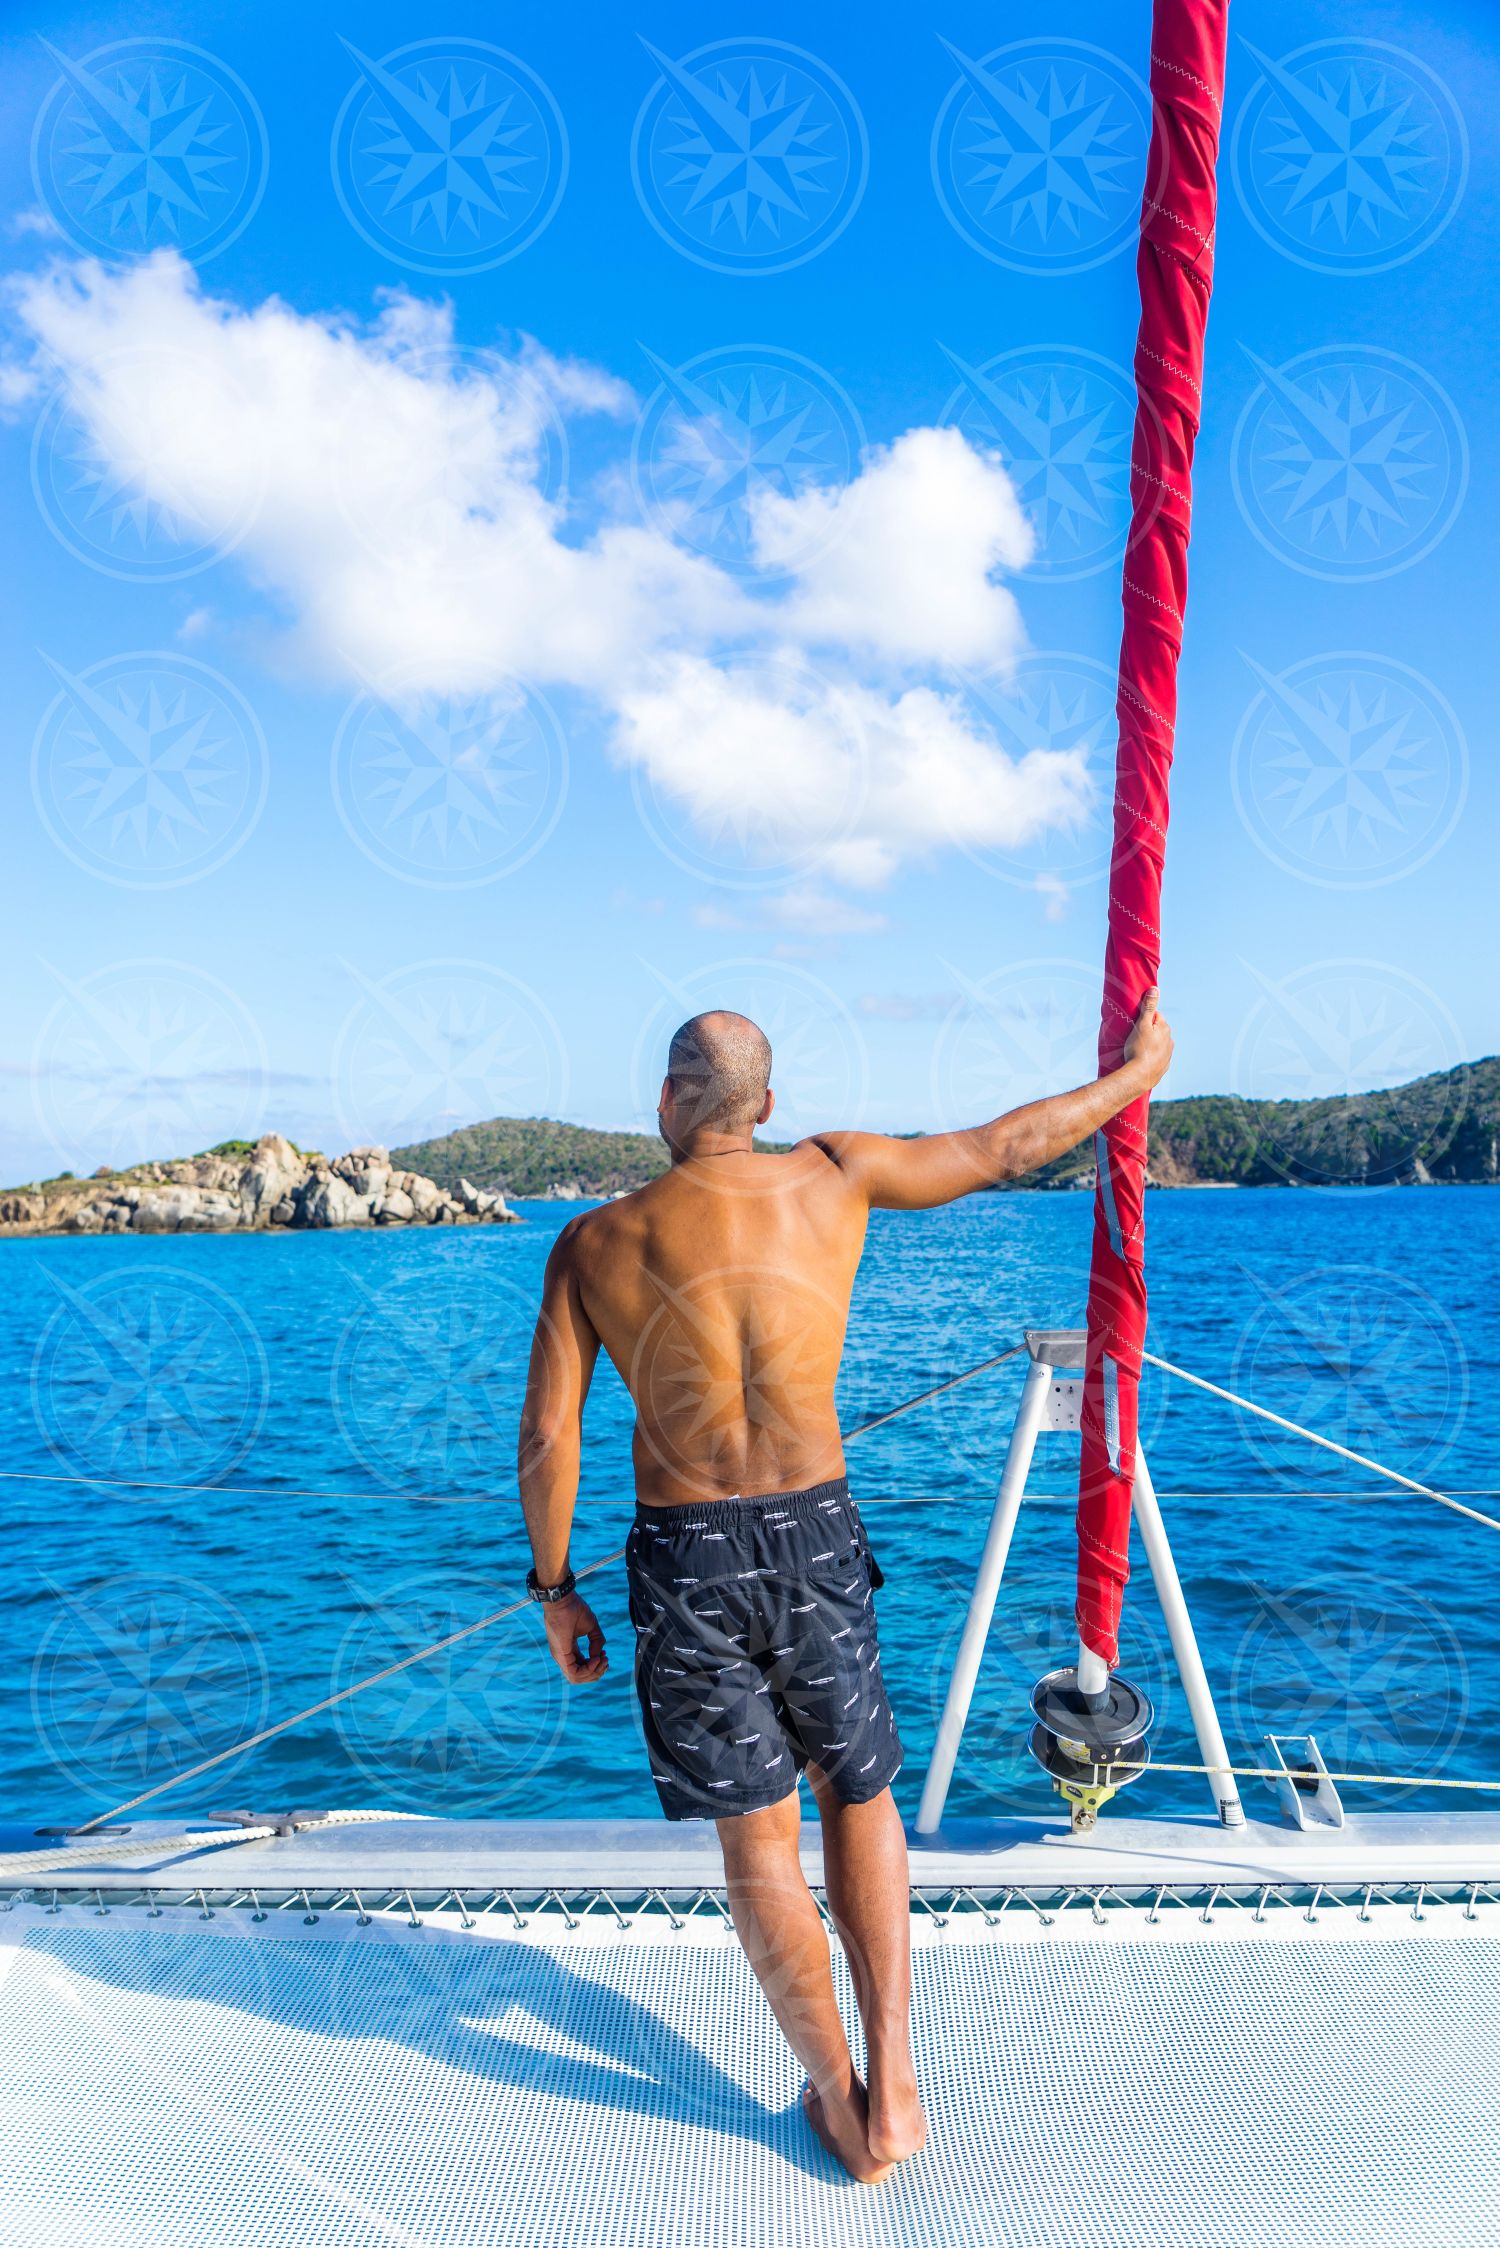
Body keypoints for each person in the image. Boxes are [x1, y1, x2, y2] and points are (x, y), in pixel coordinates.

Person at [518, 993, 1174, 2182]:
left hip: (685, 1557)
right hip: (817, 1533)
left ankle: (837, 2099)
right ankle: (899, 2083)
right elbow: (1005, 1145)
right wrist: (1134, 1078)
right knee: (858, 1794)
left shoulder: (595, 1243)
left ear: (668, 1100)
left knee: (760, 1843)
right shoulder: (834, 1173)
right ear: (766, 1106)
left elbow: (550, 1437)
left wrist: (557, 1586)